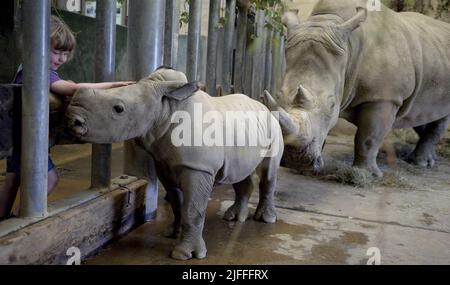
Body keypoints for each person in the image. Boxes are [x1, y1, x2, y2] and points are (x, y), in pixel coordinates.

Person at [0, 15, 135, 220]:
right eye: (56, 52)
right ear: (37, 47)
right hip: (28, 140)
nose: (62, 59)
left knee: (13, 181)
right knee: (50, 179)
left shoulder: (26, 67)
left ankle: (3, 219)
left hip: (19, 137)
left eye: (66, 53)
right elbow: (73, 89)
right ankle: (21, 219)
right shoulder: (38, 72)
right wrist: (114, 85)